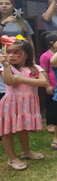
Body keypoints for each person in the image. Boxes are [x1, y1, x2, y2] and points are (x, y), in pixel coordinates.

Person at [0, 39, 46, 170]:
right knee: (7, 132)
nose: (11, 55)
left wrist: (22, 79)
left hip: (26, 105)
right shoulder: (6, 68)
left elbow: (43, 82)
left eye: (16, 52)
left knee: (24, 128)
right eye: (9, 52)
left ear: (27, 54)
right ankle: (12, 158)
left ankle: (26, 152)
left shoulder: (35, 68)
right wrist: (7, 66)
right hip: (11, 104)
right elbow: (9, 82)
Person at [40, 31, 57, 133]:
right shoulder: (45, 56)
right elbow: (44, 72)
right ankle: (50, 123)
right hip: (53, 85)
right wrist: (48, 86)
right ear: (52, 42)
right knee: (51, 105)